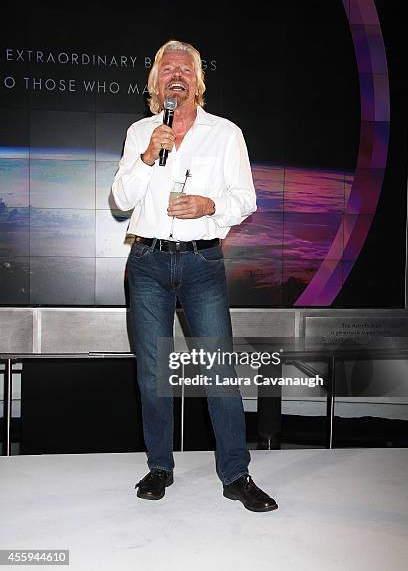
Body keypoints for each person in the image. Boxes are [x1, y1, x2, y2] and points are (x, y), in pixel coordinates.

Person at [112, 39, 278, 513]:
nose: (176, 75)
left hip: (202, 264)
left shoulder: (225, 134)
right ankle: (160, 467)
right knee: (152, 373)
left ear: (198, 81)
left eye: (185, 68)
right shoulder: (141, 131)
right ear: (156, 82)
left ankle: (236, 474)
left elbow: (245, 199)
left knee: (220, 372)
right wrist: (147, 156)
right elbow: (122, 200)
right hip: (147, 263)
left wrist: (211, 206)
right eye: (168, 69)